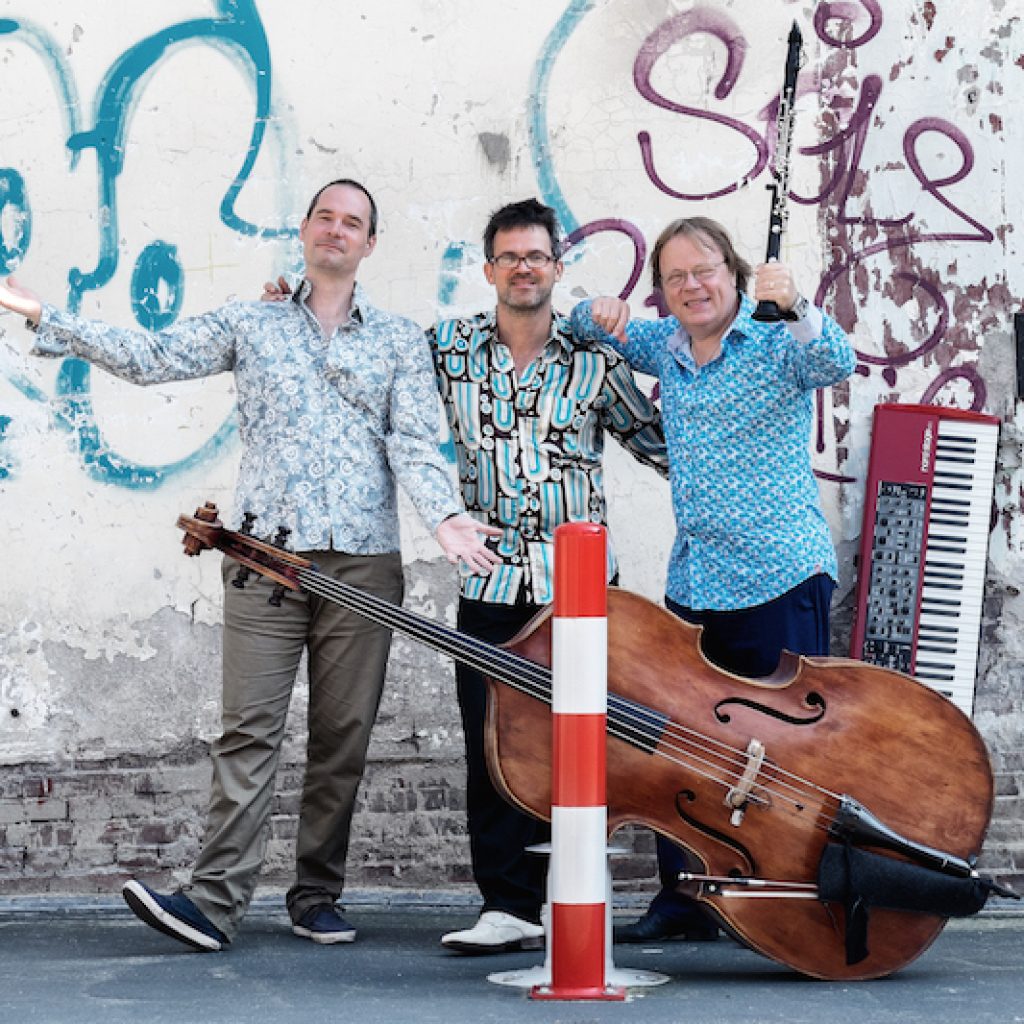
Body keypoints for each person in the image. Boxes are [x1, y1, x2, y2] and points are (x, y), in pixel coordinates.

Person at [0, 178, 499, 952]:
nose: (336, 229)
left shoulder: (399, 340)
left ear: (370, 243)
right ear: (304, 229)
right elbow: (155, 357)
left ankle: (317, 895)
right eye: (325, 216)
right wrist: (45, 317)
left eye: (353, 222)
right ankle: (214, 901)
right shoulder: (253, 321)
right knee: (248, 732)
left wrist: (444, 517)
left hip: (362, 568)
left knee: (342, 739)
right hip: (263, 560)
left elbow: (412, 442)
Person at [265, 198, 669, 953]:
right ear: (489, 270)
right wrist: (293, 309)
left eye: (537, 256)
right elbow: (363, 374)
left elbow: (665, 447)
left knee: (584, 747)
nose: (523, 268)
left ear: (557, 268)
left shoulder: (597, 361)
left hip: (581, 593)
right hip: (490, 583)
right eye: (509, 257)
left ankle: (575, 896)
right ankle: (508, 907)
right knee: (495, 748)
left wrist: (696, 362)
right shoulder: (446, 349)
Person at [571, 215, 856, 943]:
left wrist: (796, 303)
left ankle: (790, 903)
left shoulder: (775, 341)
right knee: (678, 748)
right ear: (663, 292)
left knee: (788, 752)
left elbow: (835, 359)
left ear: (734, 273)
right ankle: (687, 901)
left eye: (704, 270)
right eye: (676, 277)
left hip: (779, 576)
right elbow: (583, 328)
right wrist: (596, 309)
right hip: (696, 582)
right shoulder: (665, 347)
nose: (693, 286)